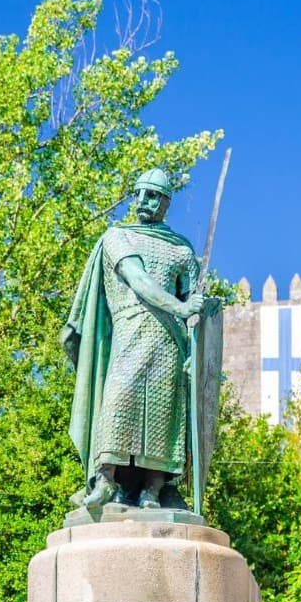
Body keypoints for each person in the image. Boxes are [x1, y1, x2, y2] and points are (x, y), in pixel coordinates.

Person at [62, 168, 202, 511]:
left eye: (153, 195)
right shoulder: (118, 237)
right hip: (128, 335)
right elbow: (138, 280)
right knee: (118, 404)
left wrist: (197, 323)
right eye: (138, 193)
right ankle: (106, 481)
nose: (143, 201)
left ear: (166, 202)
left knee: (164, 413)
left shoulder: (182, 250)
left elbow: (194, 305)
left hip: (170, 343)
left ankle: (154, 491)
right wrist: (182, 307)